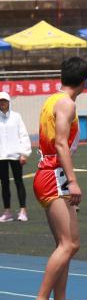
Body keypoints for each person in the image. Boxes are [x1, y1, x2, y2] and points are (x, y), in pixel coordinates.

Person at [28, 57, 87, 300]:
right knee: (70, 244)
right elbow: (61, 144)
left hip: (47, 174)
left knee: (63, 244)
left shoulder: (52, 99)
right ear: (84, 82)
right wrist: (72, 180)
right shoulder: (67, 103)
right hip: (54, 175)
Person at [0, 91, 32, 223]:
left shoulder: (16, 117)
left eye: (4, 101)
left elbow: (23, 135)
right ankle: (7, 212)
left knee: (19, 182)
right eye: (0, 101)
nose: (2, 103)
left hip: (16, 155)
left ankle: (23, 210)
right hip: (1, 155)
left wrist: (24, 153)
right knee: (4, 183)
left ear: (9, 102)